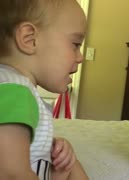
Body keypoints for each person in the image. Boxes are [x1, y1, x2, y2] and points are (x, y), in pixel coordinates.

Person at [0, 0, 88, 179]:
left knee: (70, 164)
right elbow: (11, 173)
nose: (80, 57)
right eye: (75, 44)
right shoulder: (16, 92)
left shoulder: (14, 89)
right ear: (30, 39)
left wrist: (48, 154)